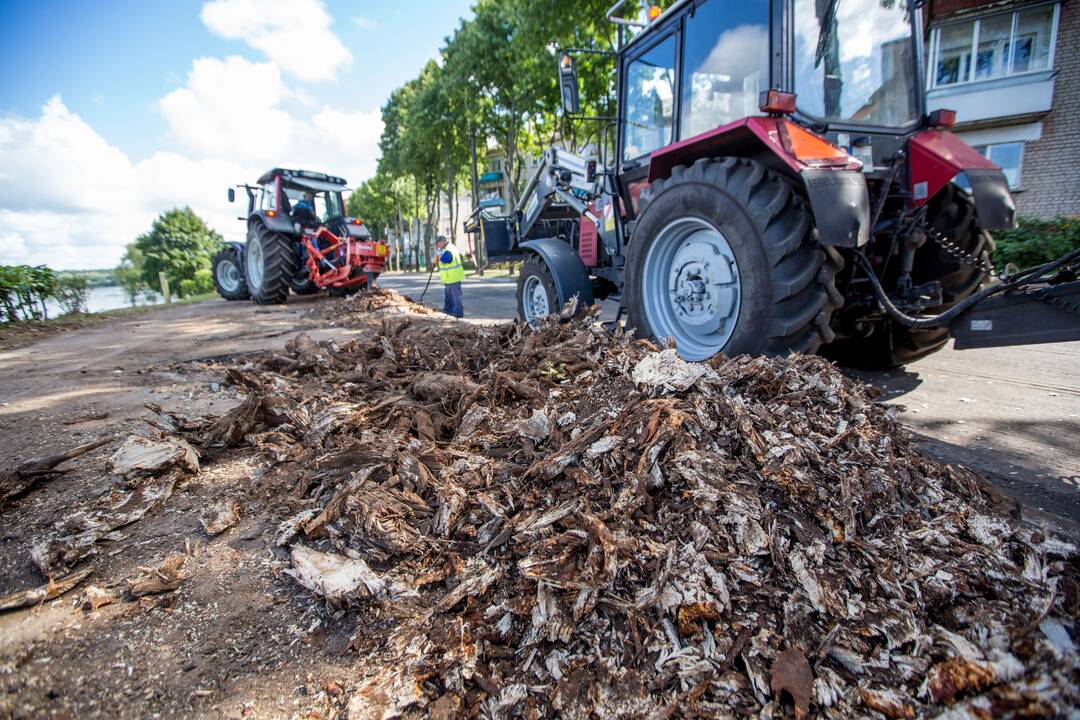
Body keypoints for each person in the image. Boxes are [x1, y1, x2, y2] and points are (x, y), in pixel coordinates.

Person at [433, 235, 465, 318]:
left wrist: (439, 253)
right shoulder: (444, 249)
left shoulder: (450, 248)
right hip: (448, 278)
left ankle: (458, 312)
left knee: (455, 296)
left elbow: (447, 259)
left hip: (453, 277)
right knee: (448, 296)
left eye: (437, 244)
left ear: (442, 241)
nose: (437, 246)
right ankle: (448, 310)